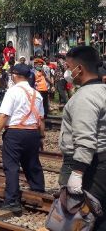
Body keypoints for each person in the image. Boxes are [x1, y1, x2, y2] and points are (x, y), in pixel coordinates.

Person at [57, 46, 106, 230]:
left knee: (78, 217)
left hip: (89, 166)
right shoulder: (103, 90)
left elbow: (85, 140)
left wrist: (77, 174)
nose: (68, 73)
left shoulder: (84, 98)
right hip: (102, 161)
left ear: (80, 69)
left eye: (69, 67)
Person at [0, 63, 45, 213]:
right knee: (32, 163)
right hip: (33, 132)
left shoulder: (12, 92)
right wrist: (41, 136)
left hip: (15, 133)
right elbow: (41, 119)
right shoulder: (37, 94)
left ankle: (11, 200)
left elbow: (4, 115)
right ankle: (39, 191)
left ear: (15, 75)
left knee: (12, 166)